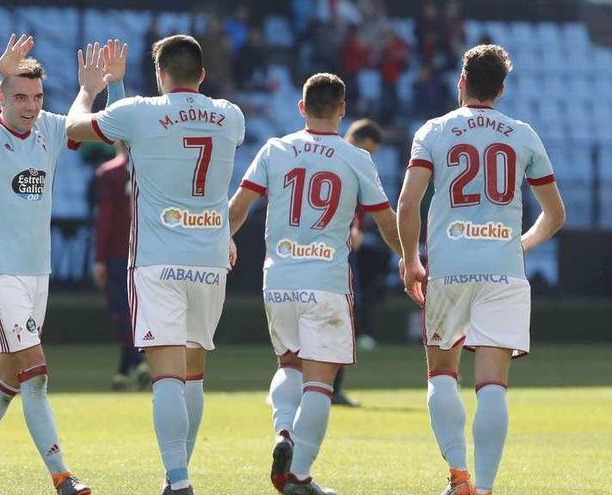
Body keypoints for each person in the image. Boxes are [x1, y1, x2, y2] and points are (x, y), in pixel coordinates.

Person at [0, 34, 125, 495]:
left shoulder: (51, 129)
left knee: (7, 378)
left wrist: (104, 88)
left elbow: (112, 131)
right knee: (36, 375)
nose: (30, 105)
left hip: (37, 272)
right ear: (1, 96)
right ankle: (62, 476)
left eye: (36, 97)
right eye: (20, 96)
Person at [67, 34, 245, 495]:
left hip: (158, 260)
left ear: (160, 74)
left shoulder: (141, 111)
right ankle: (180, 474)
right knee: (194, 372)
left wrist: (93, 87)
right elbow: (141, 139)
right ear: (202, 75)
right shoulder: (231, 116)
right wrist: (124, 90)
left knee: (165, 372)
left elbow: (75, 128)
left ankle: (179, 481)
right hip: (210, 257)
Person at [398, 44, 566, 495]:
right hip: (503, 271)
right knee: (493, 385)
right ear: (502, 89)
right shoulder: (522, 134)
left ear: (461, 83)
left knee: (441, 375)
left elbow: (409, 202)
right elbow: (555, 214)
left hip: (449, 269)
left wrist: (412, 260)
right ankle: (488, 489)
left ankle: (459, 479)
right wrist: (519, 245)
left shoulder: (434, 131)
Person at [229, 74, 402, 495]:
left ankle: (283, 431)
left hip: (280, 278)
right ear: (343, 110)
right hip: (325, 281)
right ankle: (300, 477)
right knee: (320, 383)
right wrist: (409, 258)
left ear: (301, 107)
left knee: (288, 364)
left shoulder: (274, 149)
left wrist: (223, 242)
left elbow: (238, 208)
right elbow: (385, 220)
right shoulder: (355, 157)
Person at [332, 118, 386, 407]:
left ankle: (292, 384)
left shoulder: (328, 156)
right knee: (344, 314)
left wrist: (357, 228)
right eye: (370, 148)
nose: (371, 156)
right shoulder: (352, 160)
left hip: (318, 249)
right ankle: (331, 389)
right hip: (335, 249)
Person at [93, 140, 149, 390]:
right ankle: (124, 371)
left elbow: (104, 219)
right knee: (138, 312)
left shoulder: (109, 173)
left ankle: (139, 362)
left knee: (122, 313)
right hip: (148, 252)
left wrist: (98, 258)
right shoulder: (152, 168)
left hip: (118, 252)